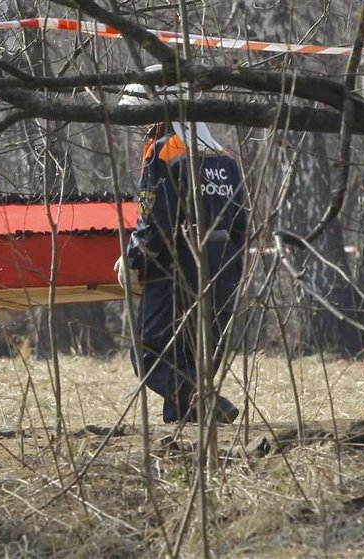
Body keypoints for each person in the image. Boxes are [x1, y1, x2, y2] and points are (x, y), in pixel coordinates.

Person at [115, 74, 247, 424]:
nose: (144, 128)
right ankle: (186, 430)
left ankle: (206, 402)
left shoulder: (165, 151)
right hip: (222, 265)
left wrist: (133, 259)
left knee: (148, 351)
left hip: (176, 264)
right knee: (192, 356)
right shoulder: (226, 157)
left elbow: (156, 220)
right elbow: (241, 226)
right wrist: (234, 272)